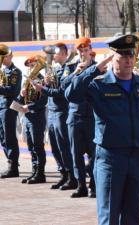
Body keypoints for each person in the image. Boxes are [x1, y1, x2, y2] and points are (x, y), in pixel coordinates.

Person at [65, 34, 139, 225]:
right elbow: (72, 94)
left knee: (133, 216)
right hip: (110, 159)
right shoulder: (99, 85)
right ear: (112, 58)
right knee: (109, 215)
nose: (128, 60)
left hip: (137, 159)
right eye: (122, 56)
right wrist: (95, 69)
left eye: (130, 56)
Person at [30, 42, 74, 190]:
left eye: (55, 53)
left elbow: (61, 93)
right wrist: (46, 84)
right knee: (55, 147)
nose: (52, 56)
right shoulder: (55, 70)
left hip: (61, 111)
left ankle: (71, 176)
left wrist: (43, 88)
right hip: (53, 111)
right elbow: (51, 90)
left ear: (63, 54)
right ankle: (63, 174)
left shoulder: (67, 70)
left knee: (64, 146)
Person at [62, 37, 96, 197]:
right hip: (74, 116)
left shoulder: (98, 67)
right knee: (76, 153)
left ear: (91, 50)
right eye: (80, 50)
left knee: (94, 153)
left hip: (92, 116)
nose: (83, 53)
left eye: (86, 50)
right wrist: (77, 72)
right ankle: (81, 185)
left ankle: (94, 185)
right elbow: (63, 85)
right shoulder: (70, 67)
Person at [19, 56, 48, 184]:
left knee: (38, 146)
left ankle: (40, 173)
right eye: (29, 66)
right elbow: (21, 100)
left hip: (37, 116)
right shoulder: (27, 81)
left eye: (33, 65)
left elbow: (43, 101)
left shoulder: (42, 80)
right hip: (28, 117)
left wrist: (29, 106)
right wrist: (21, 94)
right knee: (31, 146)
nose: (31, 68)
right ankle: (34, 171)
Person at [0, 45, 22, 178]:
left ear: (9, 56)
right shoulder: (2, 71)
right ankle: (11, 162)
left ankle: (13, 167)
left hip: (9, 106)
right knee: (2, 136)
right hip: (1, 106)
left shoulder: (15, 72)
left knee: (9, 137)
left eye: (3, 56)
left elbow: (12, 91)